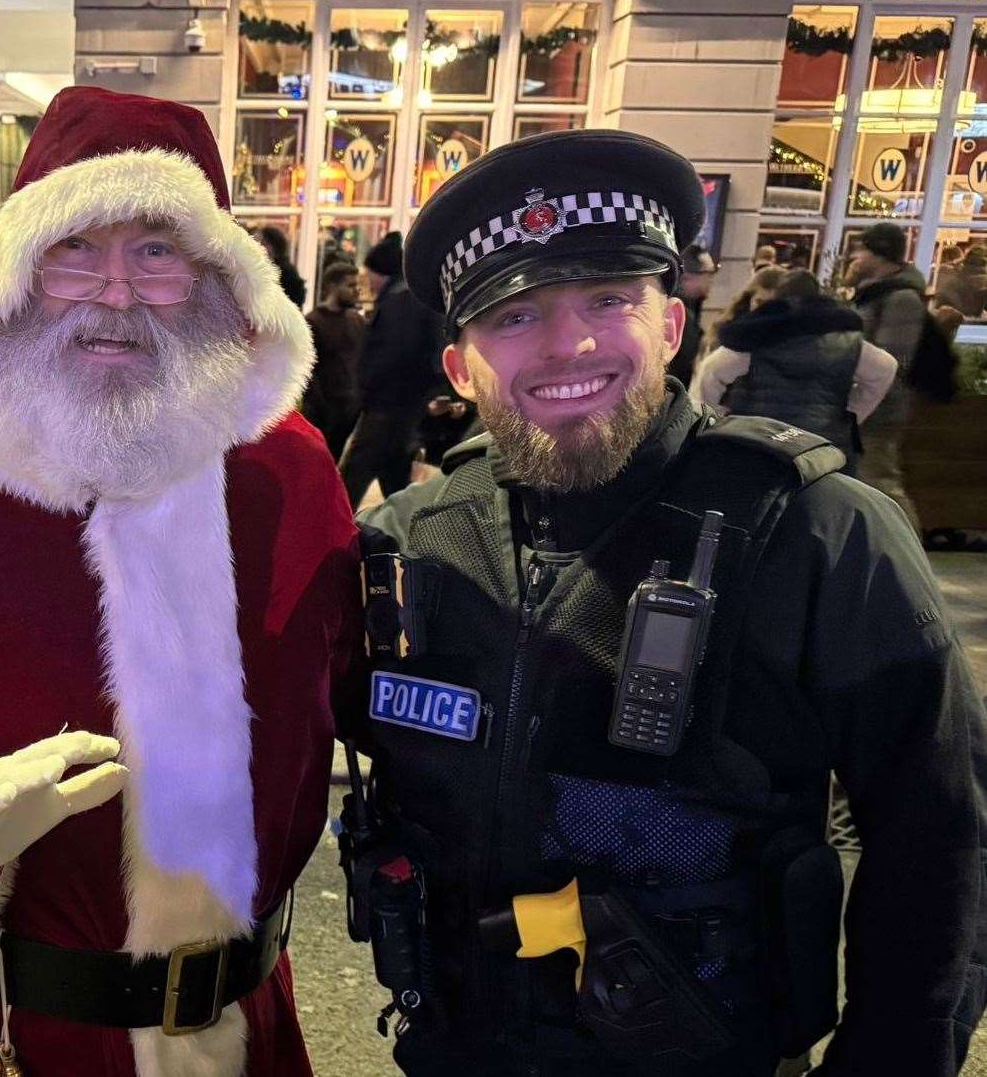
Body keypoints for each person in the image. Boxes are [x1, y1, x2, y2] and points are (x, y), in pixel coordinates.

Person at [341, 129, 986, 1077]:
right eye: (515, 316)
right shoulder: (406, 541)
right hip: (455, 1050)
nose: (570, 343)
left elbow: (943, 841)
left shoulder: (814, 531)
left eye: (608, 299)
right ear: (459, 366)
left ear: (675, 326)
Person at [0, 86, 360, 1077]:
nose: (116, 293)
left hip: (241, 1033)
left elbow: (341, 709)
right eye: (74, 249)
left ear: (216, 278)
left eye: (157, 252)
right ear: (14, 272)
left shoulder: (290, 478)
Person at [693, 268, 897, 475]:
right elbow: (886, 368)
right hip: (823, 447)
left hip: (761, 441)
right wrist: (852, 412)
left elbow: (712, 370)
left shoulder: (759, 333)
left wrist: (717, 417)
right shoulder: (846, 341)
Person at [341, 230, 443, 505]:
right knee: (393, 471)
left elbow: (391, 354)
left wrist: (367, 391)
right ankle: (406, 527)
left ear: (381, 271)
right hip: (401, 404)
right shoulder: (404, 298)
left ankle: (331, 530)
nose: (367, 281)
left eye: (369, 273)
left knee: (355, 473)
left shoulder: (399, 302)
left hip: (388, 405)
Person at [844, 222, 928, 528]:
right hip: (865, 402)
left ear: (880, 254)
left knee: (881, 480)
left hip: (880, 407)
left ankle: (909, 552)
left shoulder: (901, 298)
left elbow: (894, 360)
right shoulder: (874, 294)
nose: (855, 256)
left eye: (863, 249)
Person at [302, 260, 366, 456]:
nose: (357, 291)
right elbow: (307, 373)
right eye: (350, 285)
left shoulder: (357, 320)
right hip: (323, 413)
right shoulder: (313, 322)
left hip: (351, 411)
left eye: (357, 285)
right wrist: (320, 408)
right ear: (332, 286)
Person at [667, 242, 715, 387]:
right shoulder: (678, 314)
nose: (711, 280)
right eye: (710, 273)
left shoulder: (691, 309)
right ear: (687, 276)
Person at [256, 223, 308, 308]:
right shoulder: (277, 268)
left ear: (273, 246)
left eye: (262, 243)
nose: (256, 247)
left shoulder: (282, 271)